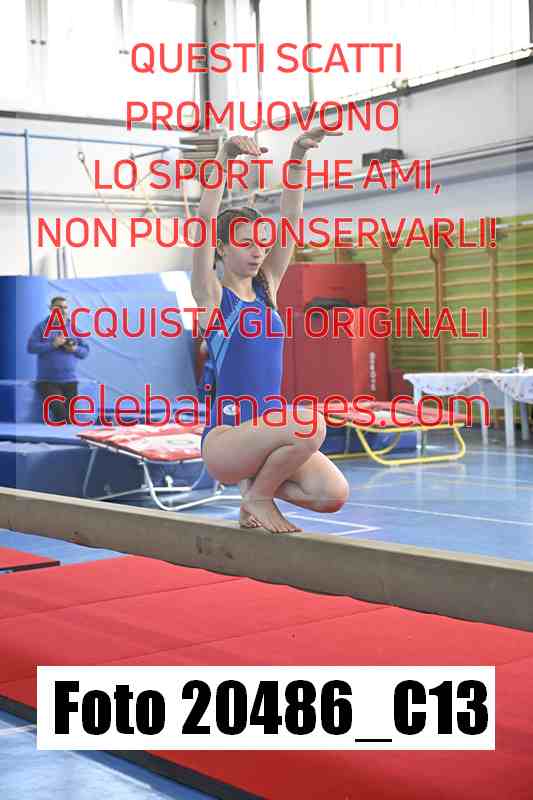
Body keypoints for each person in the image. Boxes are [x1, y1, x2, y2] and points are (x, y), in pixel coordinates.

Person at [191, 131, 350, 533]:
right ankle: (258, 496)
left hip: (269, 434)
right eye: (246, 243)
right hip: (227, 438)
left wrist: (297, 156)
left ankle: (255, 490)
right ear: (221, 248)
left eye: (261, 244)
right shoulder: (213, 296)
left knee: (331, 494)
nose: (258, 251)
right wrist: (224, 157)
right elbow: (205, 219)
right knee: (310, 424)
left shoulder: (268, 290)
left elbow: (291, 218)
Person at [27, 296, 90, 423]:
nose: (62, 310)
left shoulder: (74, 328)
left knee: (70, 420)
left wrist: (74, 349)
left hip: (70, 382)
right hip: (47, 382)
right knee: (61, 415)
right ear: (51, 308)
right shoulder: (41, 327)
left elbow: (85, 352)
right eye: (59, 307)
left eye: (65, 307)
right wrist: (53, 344)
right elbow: (31, 347)